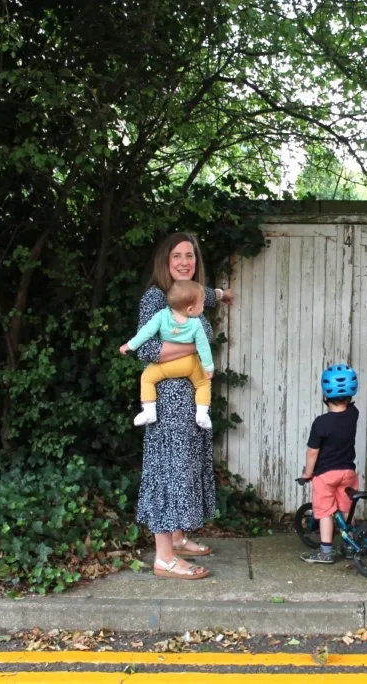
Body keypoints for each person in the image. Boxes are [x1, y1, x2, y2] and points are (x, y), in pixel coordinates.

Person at [133, 232, 234, 580]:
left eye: (189, 255)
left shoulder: (191, 293)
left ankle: (176, 538)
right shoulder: (155, 299)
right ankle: (164, 558)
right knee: (169, 470)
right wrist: (196, 347)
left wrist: (222, 294)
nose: (184, 262)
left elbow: (209, 294)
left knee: (186, 468)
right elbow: (147, 351)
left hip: (191, 395)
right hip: (167, 398)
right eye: (176, 256)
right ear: (165, 260)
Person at [120, 279, 215, 429]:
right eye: (202, 304)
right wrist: (208, 367)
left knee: (146, 379)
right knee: (203, 383)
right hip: (189, 363)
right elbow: (203, 347)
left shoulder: (161, 316)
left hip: (165, 365)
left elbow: (145, 333)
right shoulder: (196, 324)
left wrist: (130, 345)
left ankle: (149, 412)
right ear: (190, 310)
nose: (203, 306)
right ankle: (202, 414)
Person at [299, 364, 360, 564]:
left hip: (326, 475)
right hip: (348, 472)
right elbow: (349, 407)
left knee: (325, 511)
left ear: (325, 394)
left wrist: (308, 473)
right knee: (345, 508)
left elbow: (313, 451)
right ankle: (351, 546)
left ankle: (325, 551)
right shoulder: (353, 414)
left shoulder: (321, 423)